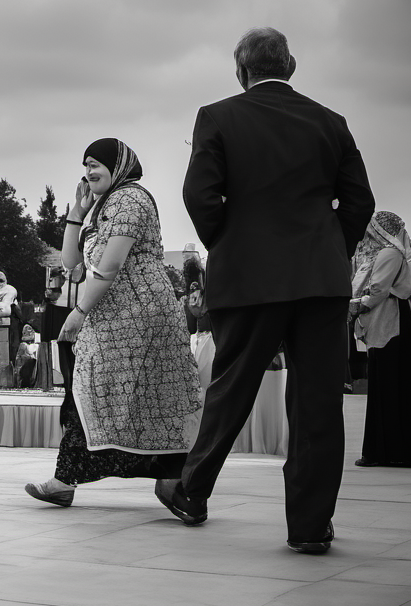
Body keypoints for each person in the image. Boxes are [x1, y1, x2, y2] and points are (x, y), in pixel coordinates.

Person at [158, 27, 375, 554]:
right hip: (319, 281)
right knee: (318, 402)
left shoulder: (218, 117)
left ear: (241, 71)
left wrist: (232, 244)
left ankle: (192, 490)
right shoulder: (332, 123)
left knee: (231, 389)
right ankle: (308, 525)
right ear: (291, 66)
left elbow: (200, 196)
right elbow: (360, 202)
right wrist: (327, 248)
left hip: (249, 279)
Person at [25, 139, 202, 507]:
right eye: (85, 165)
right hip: (114, 317)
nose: (89, 172)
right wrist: (77, 213)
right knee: (98, 394)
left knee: (150, 398)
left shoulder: (131, 199)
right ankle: (67, 479)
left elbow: (109, 267)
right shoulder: (104, 206)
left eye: (96, 164)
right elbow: (72, 266)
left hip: (142, 316)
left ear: (118, 165)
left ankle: (166, 480)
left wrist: (78, 313)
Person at [351, 212, 411, 467]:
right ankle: (405, 451)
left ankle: (383, 452)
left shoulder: (388, 253)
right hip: (397, 321)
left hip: (389, 323)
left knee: (387, 385)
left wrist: (354, 305)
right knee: (399, 385)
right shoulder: (396, 253)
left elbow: (377, 291)